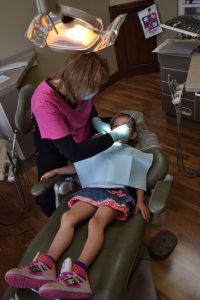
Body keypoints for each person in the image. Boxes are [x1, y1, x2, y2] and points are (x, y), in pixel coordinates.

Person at [5, 113, 150, 299]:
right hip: (91, 191)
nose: (120, 128)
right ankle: (46, 265)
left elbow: (138, 177)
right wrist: (58, 170)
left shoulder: (133, 154)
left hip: (115, 193)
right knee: (67, 218)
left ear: (133, 135)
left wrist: (139, 201)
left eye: (125, 126)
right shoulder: (101, 148)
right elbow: (80, 166)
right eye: (116, 126)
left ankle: (78, 274)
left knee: (95, 223)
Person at [31, 52, 131, 216]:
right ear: (75, 86)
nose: (95, 93)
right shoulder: (44, 103)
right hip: (54, 144)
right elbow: (75, 154)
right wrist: (113, 136)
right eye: (93, 89)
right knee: (44, 196)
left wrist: (96, 121)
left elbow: (88, 107)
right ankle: (53, 220)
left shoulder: (79, 87)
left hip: (81, 129)